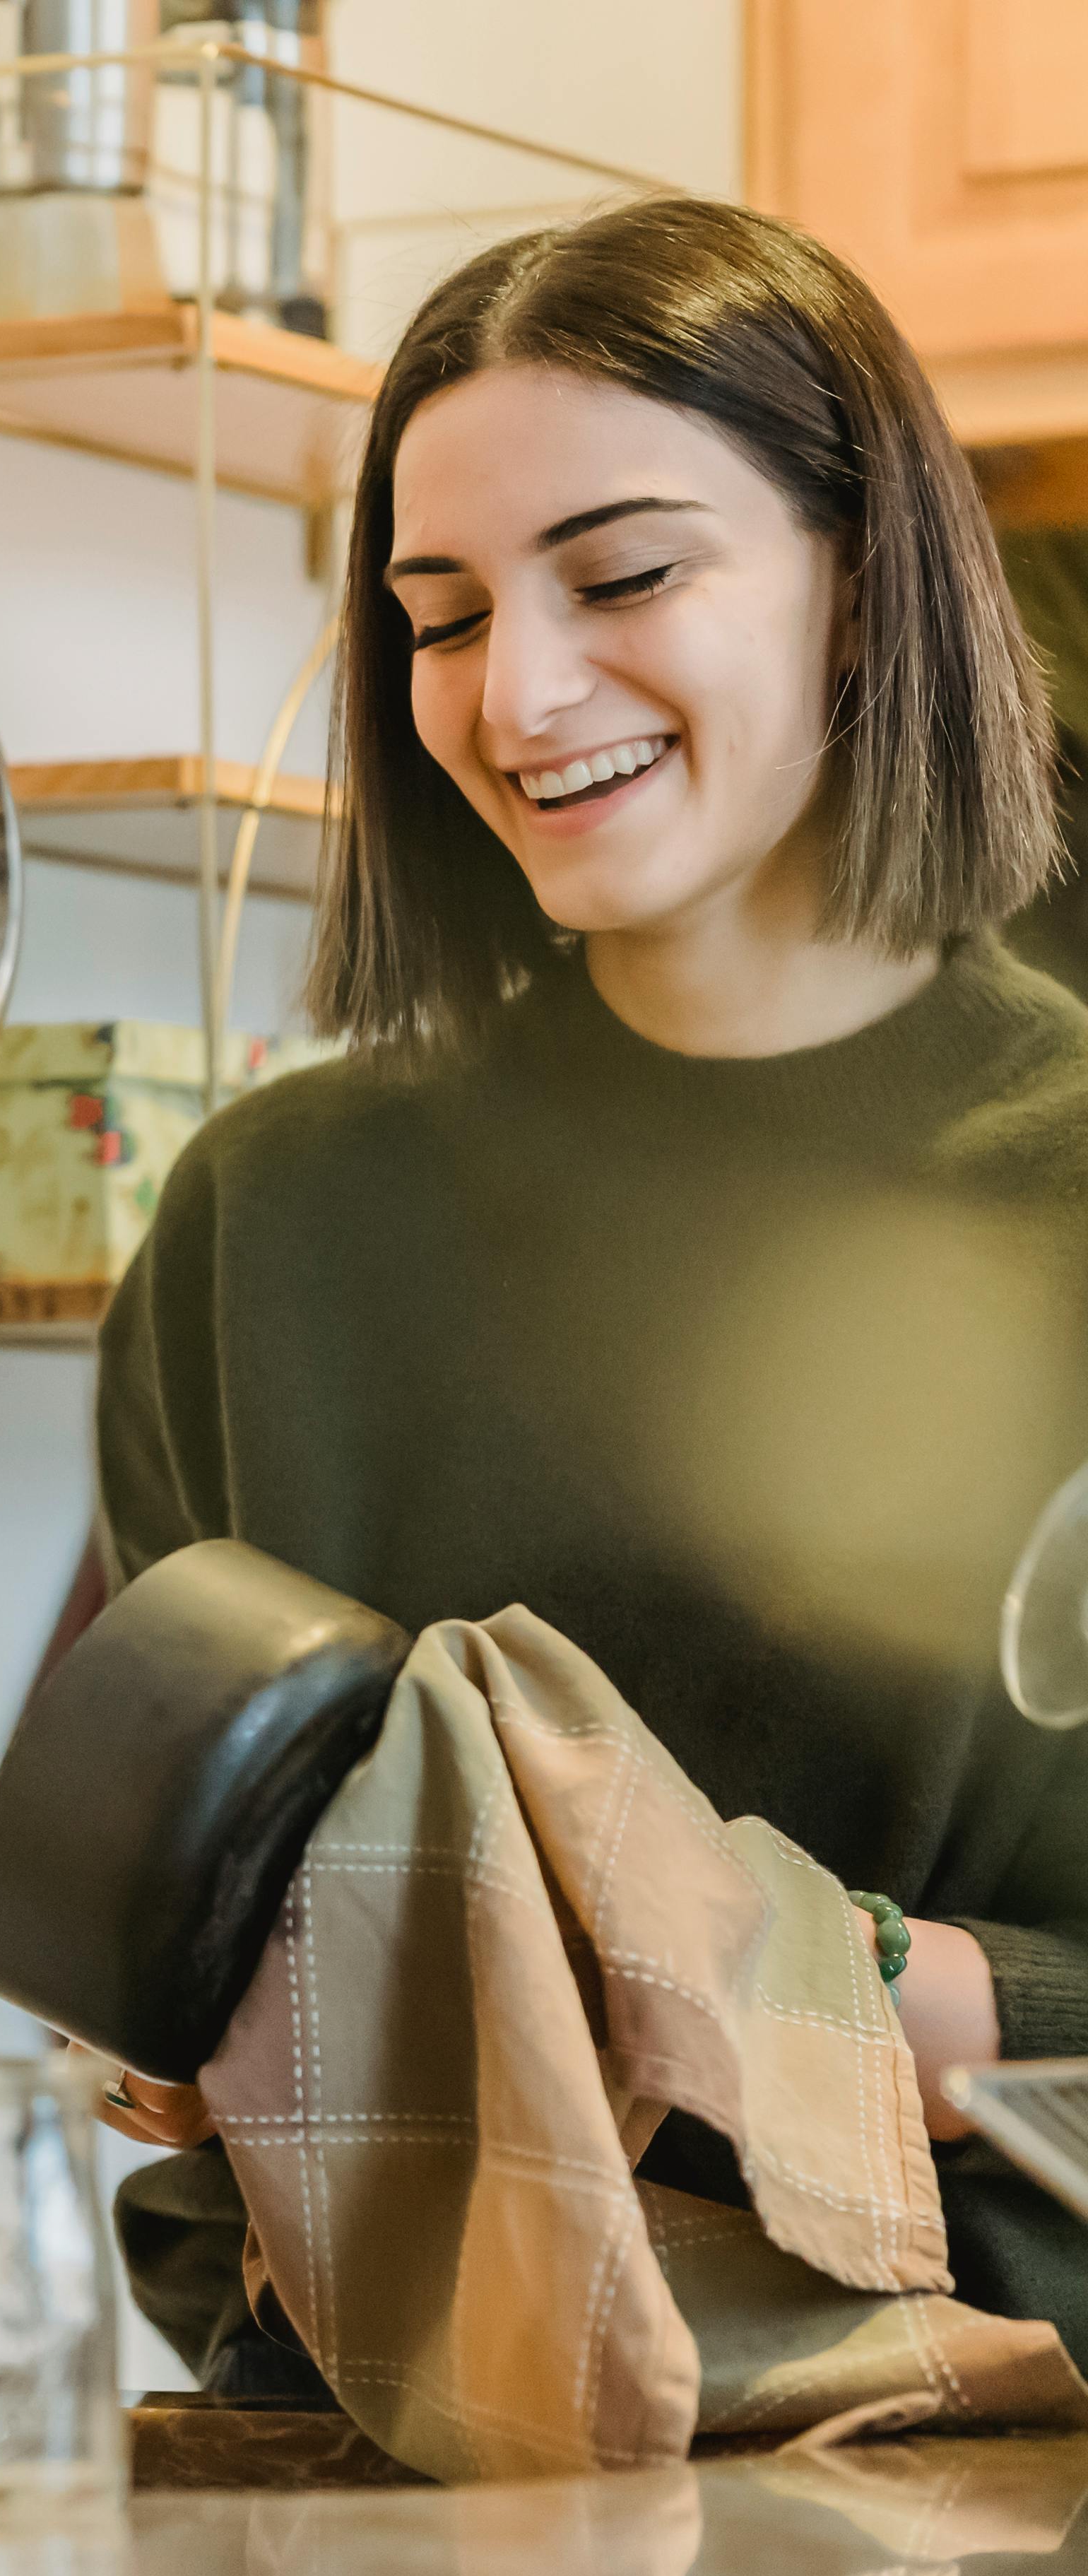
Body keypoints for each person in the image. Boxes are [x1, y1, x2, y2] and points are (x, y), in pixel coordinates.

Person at [88, 196, 1088, 2390]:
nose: (517, 693)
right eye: (438, 615)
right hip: (393, 2485)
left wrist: (848, 1991)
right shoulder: (274, 1227)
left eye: (624, 576)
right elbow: (160, 1947)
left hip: (1009, 2494)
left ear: (859, 586)